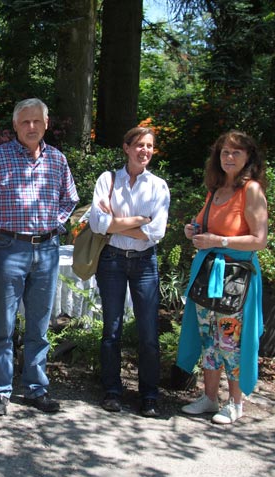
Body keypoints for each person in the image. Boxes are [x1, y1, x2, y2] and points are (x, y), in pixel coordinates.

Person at [0, 98, 79, 416]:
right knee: (4, 323)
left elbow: (69, 198)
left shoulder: (57, 160)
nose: (31, 127)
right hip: (9, 249)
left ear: (46, 124)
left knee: (39, 325)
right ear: (15, 126)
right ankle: (1, 390)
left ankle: (35, 387)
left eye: (37, 121)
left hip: (47, 250)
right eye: (25, 122)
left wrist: (55, 224)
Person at [178, 130, 267, 424]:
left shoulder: (251, 190)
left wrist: (221, 242)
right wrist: (193, 229)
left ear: (248, 158)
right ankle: (209, 398)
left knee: (232, 343)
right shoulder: (215, 189)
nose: (229, 157)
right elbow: (203, 223)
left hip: (235, 281)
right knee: (209, 339)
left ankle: (236, 403)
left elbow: (259, 240)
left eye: (236, 153)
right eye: (225, 152)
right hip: (209, 277)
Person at [89, 126, 170, 418]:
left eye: (149, 146)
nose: (144, 151)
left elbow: (156, 232)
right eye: (139, 145)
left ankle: (148, 395)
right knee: (111, 330)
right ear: (126, 147)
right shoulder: (108, 179)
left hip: (145, 263)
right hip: (111, 260)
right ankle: (112, 391)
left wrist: (116, 222)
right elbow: (97, 224)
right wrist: (137, 221)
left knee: (148, 333)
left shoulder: (158, 186)